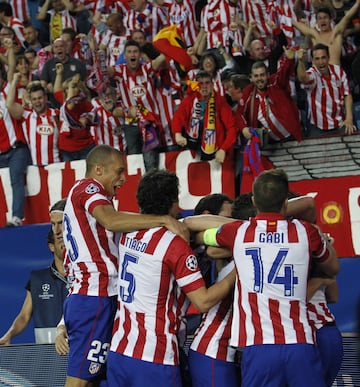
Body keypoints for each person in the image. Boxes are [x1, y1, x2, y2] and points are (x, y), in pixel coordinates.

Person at [185, 168, 339, 387]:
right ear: (286, 202)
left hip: (258, 347)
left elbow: (203, 235)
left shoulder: (238, 231)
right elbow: (332, 268)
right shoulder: (306, 232)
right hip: (300, 343)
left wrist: (201, 235)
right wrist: (323, 243)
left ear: (255, 201)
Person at [62, 144, 188, 386]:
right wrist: (163, 218)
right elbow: (110, 220)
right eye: (119, 171)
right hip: (93, 297)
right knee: (79, 382)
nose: (123, 178)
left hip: (99, 297)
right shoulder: (89, 188)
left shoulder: (94, 197)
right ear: (98, 170)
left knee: (94, 379)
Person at [106, 170, 236, 387]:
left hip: (120, 350)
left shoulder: (127, 235)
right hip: (155, 357)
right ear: (174, 202)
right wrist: (237, 271)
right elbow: (202, 301)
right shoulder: (174, 245)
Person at [0, 199, 68, 344]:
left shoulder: (86, 274)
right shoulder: (38, 279)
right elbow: (24, 316)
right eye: (53, 224)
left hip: (79, 351)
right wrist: (9, 335)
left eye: (61, 223)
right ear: (51, 247)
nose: (57, 230)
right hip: (46, 354)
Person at [109, 39, 167, 171]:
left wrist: (168, 45)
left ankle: (152, 185)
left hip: (149, 122)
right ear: (125, 56)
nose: (132, 54)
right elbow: (104, 71)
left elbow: (161, 60)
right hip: (131, 124)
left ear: (140, 55)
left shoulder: (147, 68)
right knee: (134, 160)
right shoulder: (119, 71)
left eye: (135, 51)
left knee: (151, 160)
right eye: (129, 52)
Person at [172, 70, 239, 164]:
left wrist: (224, 149)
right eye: (200, 83)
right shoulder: (190, 99)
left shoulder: (220, 102)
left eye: (207, 83)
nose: (204, 86)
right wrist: (177, 133)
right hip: (193, 149)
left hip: (216, 152)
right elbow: (178, 116)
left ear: (212, 85)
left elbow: (232, 128)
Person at [239, 46, 302, 143]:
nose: (259, 78)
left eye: (262, 75)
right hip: (270, 143)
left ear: (268, 75)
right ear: (251, 78)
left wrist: (289, 60)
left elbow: (283, 73)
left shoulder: (275, 83)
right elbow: (239, 114)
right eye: (256, 76)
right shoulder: (248, 92)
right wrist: (244, 128)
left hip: (292, 136)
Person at [297, 43, 356, 137]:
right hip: (318, 128)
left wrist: (349, 118)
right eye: (317, 59)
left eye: (323, 57)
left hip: (340, 124)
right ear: (312, 60)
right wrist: (300, 61)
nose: (321, 62)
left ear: (328, 57)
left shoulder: (338, 71)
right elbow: (303, 78)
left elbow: (347, 94)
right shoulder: (313, 74)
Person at [6, 75, 61, 166]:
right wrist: (15, 80)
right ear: (31, 101)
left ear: (46, 98)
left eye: (40, 98)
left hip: (56, 165)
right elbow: (9, 105)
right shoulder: (27, 115)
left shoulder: (56, 114)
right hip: (35, 168)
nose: (37, 102)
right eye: (34, 99)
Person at [292, 3, 360, 65]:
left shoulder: (336, 33)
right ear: (317, 23)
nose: (322, 21)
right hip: (318, 75)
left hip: (335, 75)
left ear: (330, 20)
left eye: (325, 17)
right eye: (320, 18)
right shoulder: (315, 35)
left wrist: (357, 3)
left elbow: (347, 18)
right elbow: (296, 24)